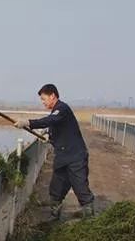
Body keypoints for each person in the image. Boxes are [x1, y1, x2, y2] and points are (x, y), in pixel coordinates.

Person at [14, 84, 94, 219]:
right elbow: (56, 128)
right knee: (56, 189)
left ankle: (90, 216)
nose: (43, 103)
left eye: (44, 99)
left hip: (75, 158)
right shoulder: (56, 112)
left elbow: (51, 120)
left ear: (53, 96)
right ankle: (54, 215)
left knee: (81, 188)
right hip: (62, 158)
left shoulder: (62, 109)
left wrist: (28, 122)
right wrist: (49, 136)